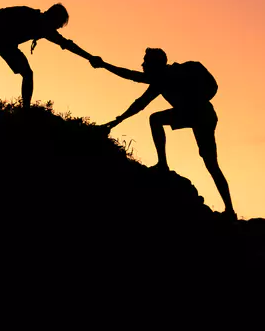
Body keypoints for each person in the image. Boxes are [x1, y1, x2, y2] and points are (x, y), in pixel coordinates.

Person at [93, 48, 235, 217]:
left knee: (211, 163)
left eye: (145, 61)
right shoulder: (160, 81)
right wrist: (117, 121)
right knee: (156, 120)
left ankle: (230, 210)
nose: (142, 64)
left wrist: (103, 65)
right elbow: (139, 103)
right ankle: (163, 164)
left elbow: (132, 76)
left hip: (203, 116)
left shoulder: (169, 75)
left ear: (155, 64)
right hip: (197, 114)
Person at [0, 3, 98, 108]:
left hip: (0, 39)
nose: (57, 28)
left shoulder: (42, 24)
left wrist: (90, 58)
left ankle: (25, 109)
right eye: (58, 25)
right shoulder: (32, 17)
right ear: (54, 18)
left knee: (22, 72)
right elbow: (1, 13)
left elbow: (67, 44)